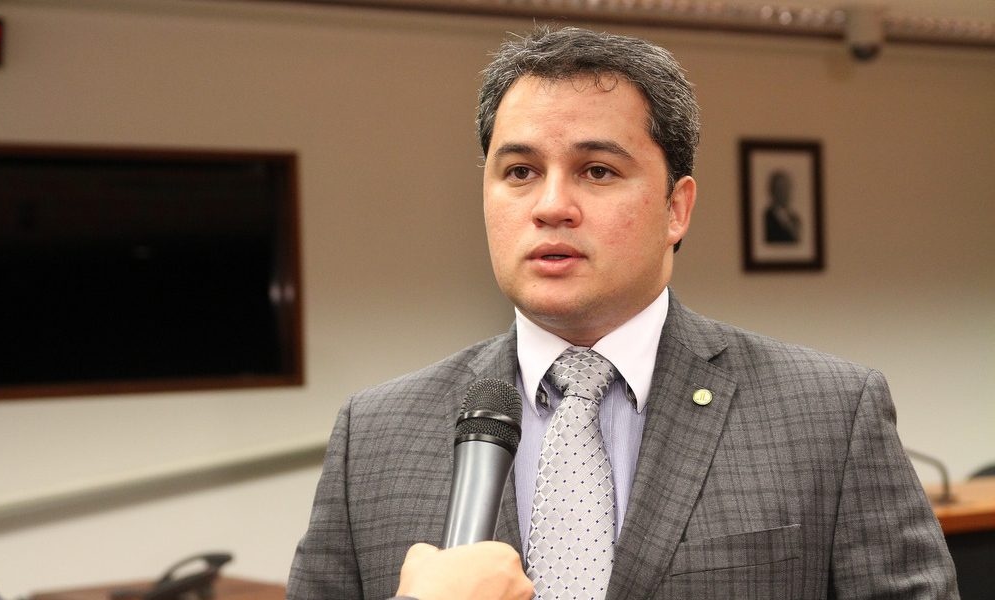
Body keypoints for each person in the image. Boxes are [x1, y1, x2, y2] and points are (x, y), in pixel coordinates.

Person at [287, 26, 958, 600]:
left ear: (676, 208)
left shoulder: (829, 414)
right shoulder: (373, 435)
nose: (551, 206)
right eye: (520, 172)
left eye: (597, 171)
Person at [763, 169, 801, 243]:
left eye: (786, 188)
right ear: (772, 191)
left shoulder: (795, 218)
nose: (784, 193)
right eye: (780, 189)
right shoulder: (766, 217)